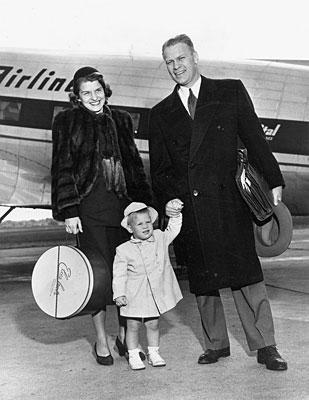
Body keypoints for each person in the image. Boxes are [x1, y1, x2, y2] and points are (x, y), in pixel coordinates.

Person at [149, 34, 288, 371]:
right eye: (169, 62)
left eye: (181, 58)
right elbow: (161, 171)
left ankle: (266, 346)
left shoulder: (229, 91)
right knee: (204, 281)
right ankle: (216, 344)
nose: (176, 66)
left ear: (195, 56)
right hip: (192, 208)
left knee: (246, 275)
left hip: (231, 202)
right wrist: (168, 200)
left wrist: (275, 181)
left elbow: (255, 138)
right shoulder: (161, 113)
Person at [51, 66, 152, 366]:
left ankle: (125, 337)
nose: (93, 97)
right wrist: (69, 211)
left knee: (126, 278)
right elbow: (62, 168)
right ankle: (100, 340)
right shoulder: (66, 122)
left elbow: (133, 165)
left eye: (97, 91)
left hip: (122, 211)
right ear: (77, 97)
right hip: (89, 210)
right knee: (98, 279)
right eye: (86, 93)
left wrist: (144, 206)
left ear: (104, 91)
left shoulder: (120, 119)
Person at [112, 201, 183, 370]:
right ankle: (134, 354)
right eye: (139, 224)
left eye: (148, 222)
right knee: (133, 325)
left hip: (153, 293)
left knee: (153, 324)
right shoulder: (123, 250)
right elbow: (119, 274)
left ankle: (153, 352)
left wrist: (175, 214)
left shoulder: (160, 237)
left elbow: (173, 229)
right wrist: (119, 293)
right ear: (130, 229)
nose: (145, 226)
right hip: (133, 294)